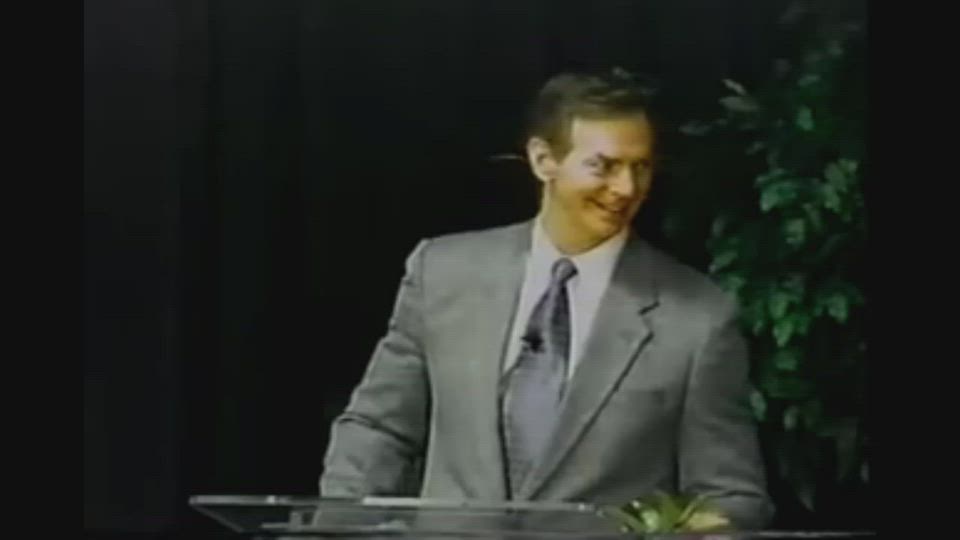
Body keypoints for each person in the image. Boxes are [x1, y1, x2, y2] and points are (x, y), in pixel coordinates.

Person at [319, 70, 773, 530]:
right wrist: (334, 531)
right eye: (604, 166)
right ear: (543, 160)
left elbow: (728, 494)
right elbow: (378, 429)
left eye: (641, 167)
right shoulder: (443, 273)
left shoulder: (697, 318)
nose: (626, 188)